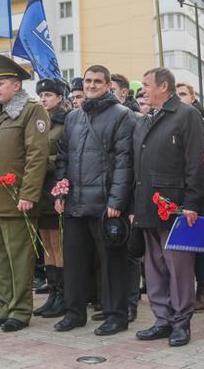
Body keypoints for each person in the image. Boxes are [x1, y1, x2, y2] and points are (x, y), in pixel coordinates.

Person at [0, 55, 50, 332]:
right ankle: (4, 307)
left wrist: (28, 194)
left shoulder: (31, 110)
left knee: (19, 259)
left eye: (1, 83)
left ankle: (21, 311)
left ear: (16, 85)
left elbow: (37, 156)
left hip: (17, 200)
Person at [53, 66, 135, 336]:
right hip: (75, 204)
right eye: (87, 80)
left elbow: (125, 162)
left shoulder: (123, 116)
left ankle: (116, 316)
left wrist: (117, 201)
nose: (90, 85)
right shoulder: (73, 117)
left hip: (105, 205)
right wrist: (61, 190)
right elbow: (63, 157)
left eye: (97, 81)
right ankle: (74, 313)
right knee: (74, 263)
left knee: (112, 265)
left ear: (108, 84)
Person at [133, 67, 204, 347]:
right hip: (146, 207)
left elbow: (196, 163)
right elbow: (136, 167)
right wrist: (133, 206)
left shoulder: (187, 115)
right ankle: (162, 320)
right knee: (153, 268)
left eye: (146, 84)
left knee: (178, 268)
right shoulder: (144, 119)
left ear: (163, 87)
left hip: (175, 207)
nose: (143, 90)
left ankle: (181, 322)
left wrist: (191, 203)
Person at [175, 82, 204, 312]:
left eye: (183, 94)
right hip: (176, 189)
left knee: (198, 241)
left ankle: (201, 289)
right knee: (181, 243)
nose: (179, 98)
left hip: (198, 188)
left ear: (193, 98)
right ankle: (184, 289)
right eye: (176, 94)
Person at [33, 78, 70, 321]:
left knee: (58, 245)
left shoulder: (65, 121)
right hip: (39, 190)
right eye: (41, 95)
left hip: (55, 189)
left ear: (59, 97)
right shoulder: (40, 122)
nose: (44, 99)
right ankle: (53, 293)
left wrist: (39, 163)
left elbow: (65, 155)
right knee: (46, 244)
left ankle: (65, 296)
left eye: (48, 95)